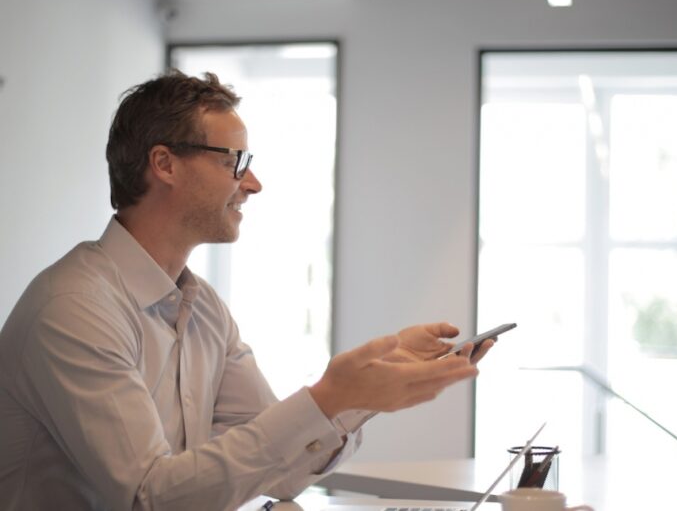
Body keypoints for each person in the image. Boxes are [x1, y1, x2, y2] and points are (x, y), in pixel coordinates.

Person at [0, 70, 493, 511]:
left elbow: (277, 470)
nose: (252, 183)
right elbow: (149, 498)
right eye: (235, 160)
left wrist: (362, 393)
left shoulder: (203, 309)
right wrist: (327, 397)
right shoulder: (74, 309)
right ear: (165, 164)